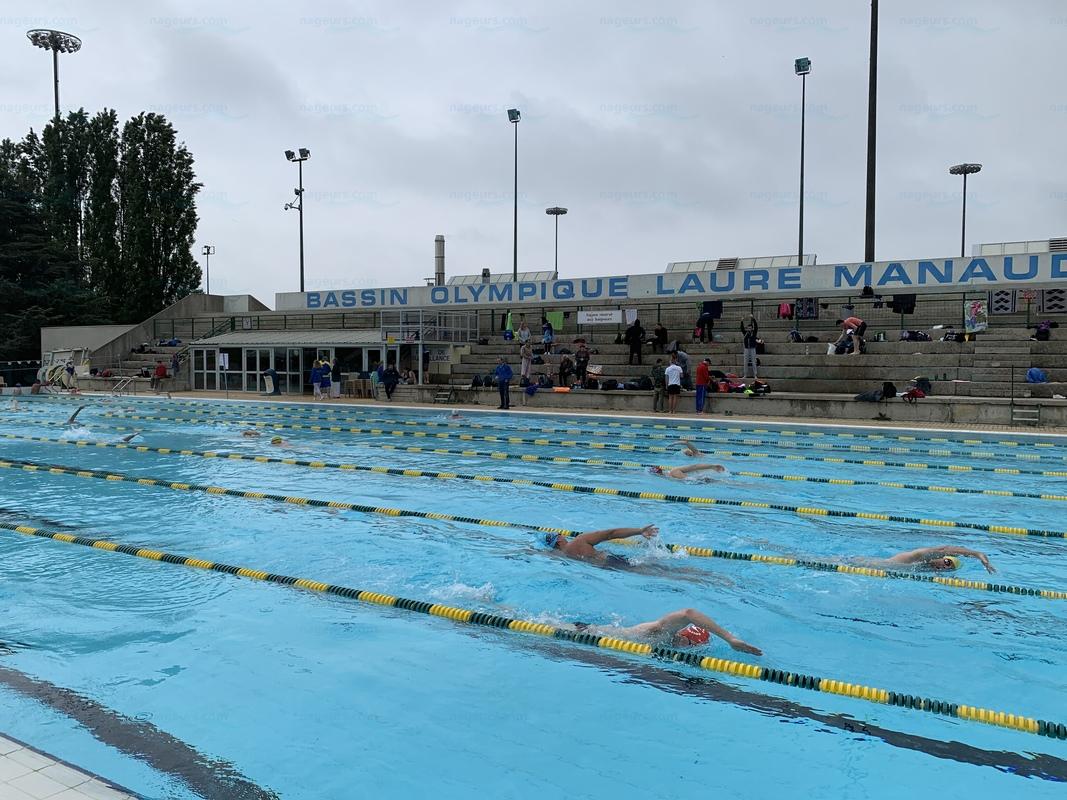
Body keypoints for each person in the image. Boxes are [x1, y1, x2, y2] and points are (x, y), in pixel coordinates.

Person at [569, 608, 761, 655]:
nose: (685, 645)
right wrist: (730, 639)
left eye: (691, 646)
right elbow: (689, 613)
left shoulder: (670, 646)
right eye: (688, 642)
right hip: (587, 633)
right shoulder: (662, 632)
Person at [543, 524, 658, 569]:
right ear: (558, 539)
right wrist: (639, 531)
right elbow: (610, 533)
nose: (563, 535)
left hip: (603, 569)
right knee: (656, 570)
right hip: (613, 561)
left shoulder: (561, 556)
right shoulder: (579, 540)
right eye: (560, 534)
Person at [868, 545, 996, 573]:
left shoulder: (925, 568)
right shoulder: (923, 555)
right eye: (947, 562)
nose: (944, 566)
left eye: (947, 568)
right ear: (944, 557)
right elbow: (947, 548)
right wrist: (984, 560)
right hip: (872, 564)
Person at [650, 463, 726, 480]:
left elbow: (694, 466)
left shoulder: (674, 471)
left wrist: (712, 466)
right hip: (700, 480)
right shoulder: (669, 477)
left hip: (703, 479)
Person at [740, 315, 759, 379]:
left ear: (752, 328)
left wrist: (753, 318)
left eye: (750, 328)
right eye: (748, 328)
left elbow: (756, 326)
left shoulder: (754, 333)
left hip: (752, 348)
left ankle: (755, 375)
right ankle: (745, 374)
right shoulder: (745, 333)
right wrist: (742, 321)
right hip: (746, 349)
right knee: (745, 362)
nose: (749, 329)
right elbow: (742, 328)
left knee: (753, 361)